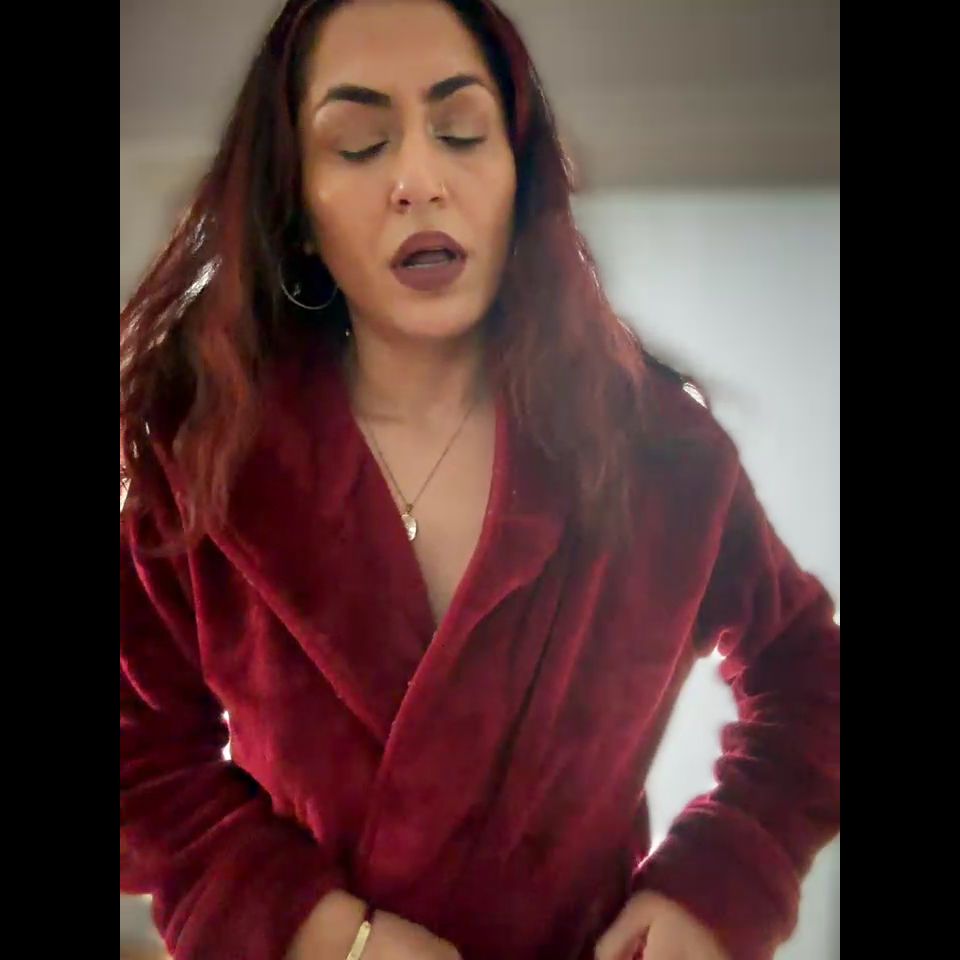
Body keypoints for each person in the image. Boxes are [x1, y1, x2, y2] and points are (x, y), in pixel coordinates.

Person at [119, 1, 840, 959]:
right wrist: (323, 935)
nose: (419, 180)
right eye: (360, 144)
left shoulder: (660, 455)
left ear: (519, 177)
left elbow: (815, 682)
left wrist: (718, 886)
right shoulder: (207, 467)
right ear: (297, 209)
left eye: (461, 132)